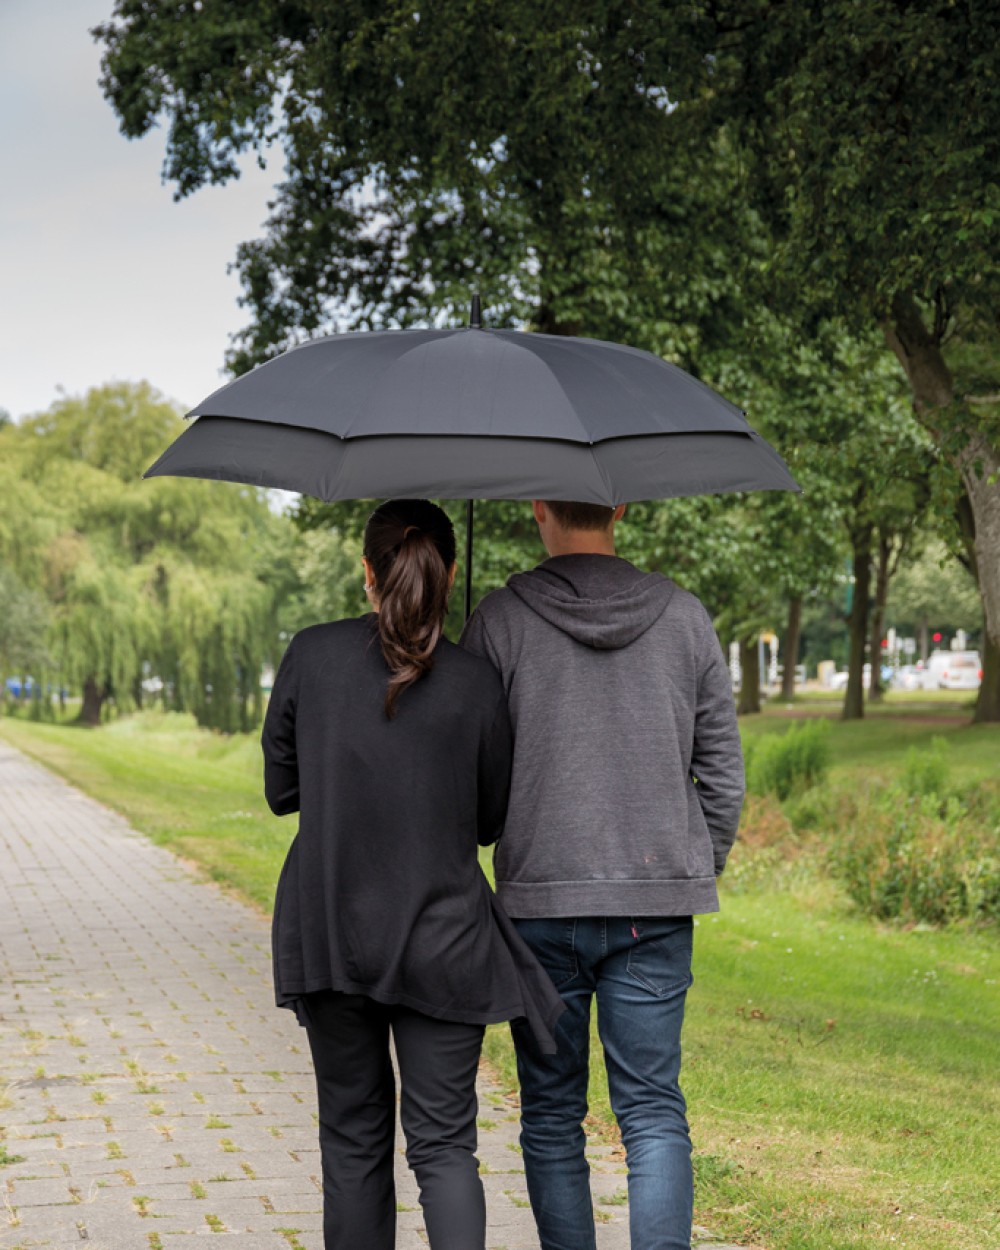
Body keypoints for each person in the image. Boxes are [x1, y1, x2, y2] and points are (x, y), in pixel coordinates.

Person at [262, 498, 563, 1250]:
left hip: (333, 932)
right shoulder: (476, 680)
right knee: (442, 1145)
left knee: (354, 1139)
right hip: (445, 940)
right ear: (450, 572)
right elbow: (490, 820)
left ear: (367, 570)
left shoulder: (311, 653)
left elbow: (280, 790)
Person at [461, 499, 745, 1250]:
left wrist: (501, 830)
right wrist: (691, 865)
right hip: (654, 903)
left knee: (551, 1114)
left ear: (536, 507)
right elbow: (721, 771)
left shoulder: (498, 622)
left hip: (539, 903)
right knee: (653, 1111)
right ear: (620, 505)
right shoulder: (685, 618)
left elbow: (475, 775)